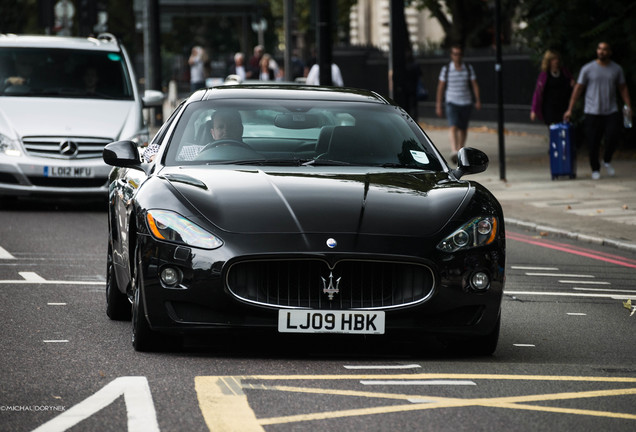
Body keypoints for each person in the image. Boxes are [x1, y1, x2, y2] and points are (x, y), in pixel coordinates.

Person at [563, 42, 632, 180]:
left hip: (610, 110)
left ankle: (607, 159)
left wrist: (628, 105)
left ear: (610, 52)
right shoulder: (588, 69)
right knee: (593, 141)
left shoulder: (616, 69)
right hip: (592, 110)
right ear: (596, 51)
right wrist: (570, 109)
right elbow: (578, 88)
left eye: (605, 49)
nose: (601, 52)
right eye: (599, 49)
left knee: (613, 136)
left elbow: (623, 87)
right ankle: (595, 168)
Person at [435, 44, 481, 163]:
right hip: (451, 101)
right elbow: (440, 87)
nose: (457, 56)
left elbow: (474, 84)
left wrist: (477, 100)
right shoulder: (446, 69)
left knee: (463, 128)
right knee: (453, 126)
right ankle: (454, 150)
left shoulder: (468, 68)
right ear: (451, 55)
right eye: (455, 54)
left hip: (466, 101)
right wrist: (438, 105)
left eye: (459, 54)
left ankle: (460, 150)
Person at [143, 109, 244, 162]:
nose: (226, 130)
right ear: (213, 133)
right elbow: (152, 148)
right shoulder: (196, 152)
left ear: (241, 130)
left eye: (231, 126)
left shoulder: (258, 156)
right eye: (220, 127)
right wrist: (155, 157)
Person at [530, 50, 574, 125]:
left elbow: (571, 84)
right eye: (553, 59)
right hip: (550, 109)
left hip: (563, 106)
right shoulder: (544, 75)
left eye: (557, 59)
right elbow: (537, 93)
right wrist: (534, 110)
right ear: (549, 61)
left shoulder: (564, 72)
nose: (556, 61)